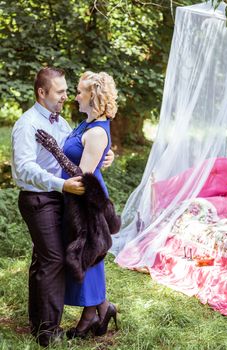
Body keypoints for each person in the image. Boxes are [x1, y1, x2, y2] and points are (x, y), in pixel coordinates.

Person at [11, 67, 114, 347]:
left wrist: (105, 154)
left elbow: (80, 148)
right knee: (54, 260)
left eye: (70, 91)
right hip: (39, 198)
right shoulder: (28, 124)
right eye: (60, 92)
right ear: (42, 93)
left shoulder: (60, 123)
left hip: (64, 197)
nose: (66, 97)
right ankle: (48, 330)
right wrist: (61, 185)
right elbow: (24, 169)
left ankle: (58, 319)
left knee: (50, 258)